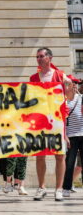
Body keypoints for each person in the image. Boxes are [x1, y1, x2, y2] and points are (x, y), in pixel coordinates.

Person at [30, 47, 74, 201]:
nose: (39, 59)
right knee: (40, 155)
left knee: (60, 155)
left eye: (42, 56)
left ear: (49, 58)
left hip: (57, 119)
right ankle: (41, 187)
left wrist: (68, 86)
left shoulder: (60, 75)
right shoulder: (34, 78)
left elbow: (69, 97)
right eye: (37, 57)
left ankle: (59, 189)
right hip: (40, 120)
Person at [63, 78, 83, 197]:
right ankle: (66, 187)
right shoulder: (63, 101)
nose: (75, 85)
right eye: (72, 84)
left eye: (76, 83)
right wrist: (65, 136)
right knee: (69, 163)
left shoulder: (80, 98)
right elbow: (62, 120)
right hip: (71, 136)